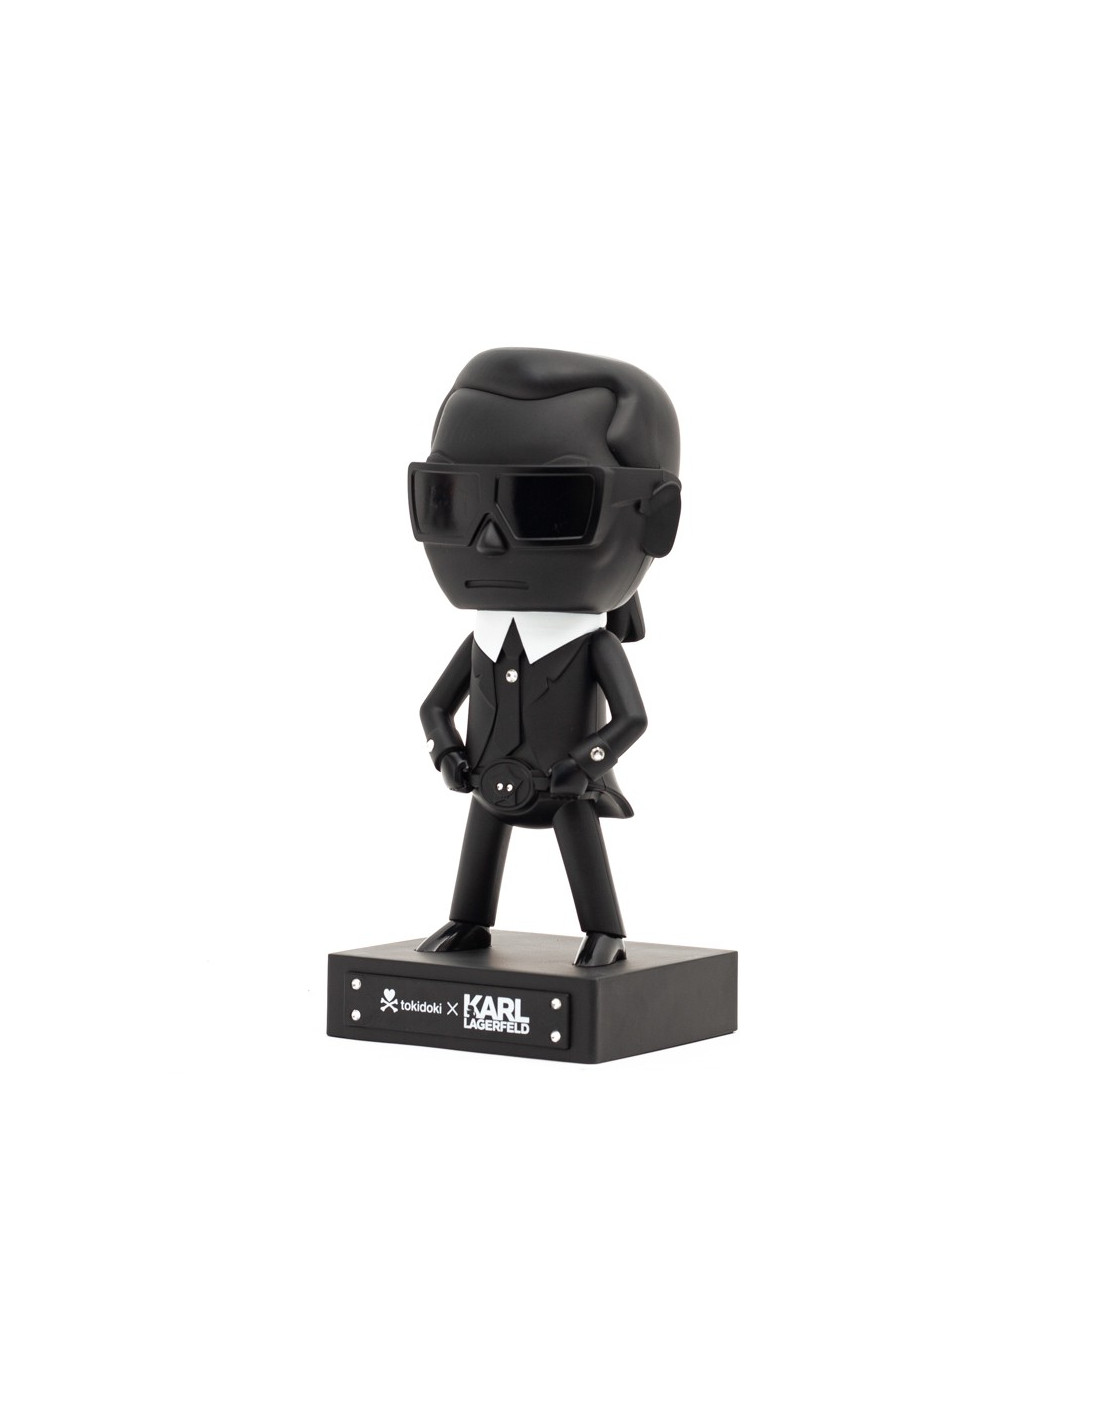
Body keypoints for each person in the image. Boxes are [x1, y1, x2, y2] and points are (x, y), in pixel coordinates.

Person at [411, 347, 681, 967]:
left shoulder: (593, 644)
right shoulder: (483, 638)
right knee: (480, 845)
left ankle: (604, 932)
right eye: (448, 499)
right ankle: (467, 921)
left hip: (564, 785)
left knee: (581, 853)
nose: (487, 541)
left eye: (550, 506)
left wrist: (586, 765)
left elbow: (632, 718)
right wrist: (447, 752)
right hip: (488, 778)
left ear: (655, 520)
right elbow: (434, 706)